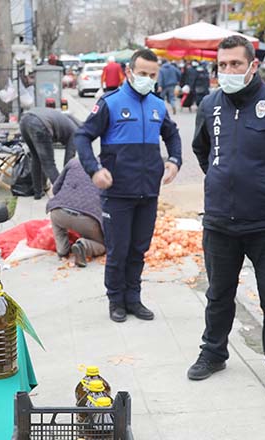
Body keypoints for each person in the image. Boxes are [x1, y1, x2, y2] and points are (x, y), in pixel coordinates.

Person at [188, 35, 265, 391]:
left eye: (235, 64)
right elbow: (202, 151)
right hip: (220, 221)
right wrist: (224, 181)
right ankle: (213, 353)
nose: (228, 71)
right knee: (218, 293)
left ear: (253, 65)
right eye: (222, 65)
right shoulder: (209, 104)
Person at [75, 48, 182, 323]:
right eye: (142, 73)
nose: (147, 78)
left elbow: (172, 135)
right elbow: (83, 136)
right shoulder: (110, 102)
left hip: (149, 192)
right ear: (129, 73)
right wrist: (94, 170)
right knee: (118, 250)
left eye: (152, 75)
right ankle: (116, 301)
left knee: (139, 249)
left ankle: (133, 298)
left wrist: (174, 160)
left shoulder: (159, 105)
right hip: (118, 193)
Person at [47, 158, 106, 267]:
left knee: (56, 220)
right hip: (88, 219)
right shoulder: (109, 172)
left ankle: (62, 250)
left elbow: (55, 189)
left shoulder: (74, 162)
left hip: (59, 211)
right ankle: (83, 246)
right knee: (102, 246)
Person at [18, 107, 82, 199]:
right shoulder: (76, 132)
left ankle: (38, 192)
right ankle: (63, 194)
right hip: (40, 124)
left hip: (25, 121)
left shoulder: (66, 120)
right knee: (49, 163)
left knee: (35, 157)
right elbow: (68, 163)